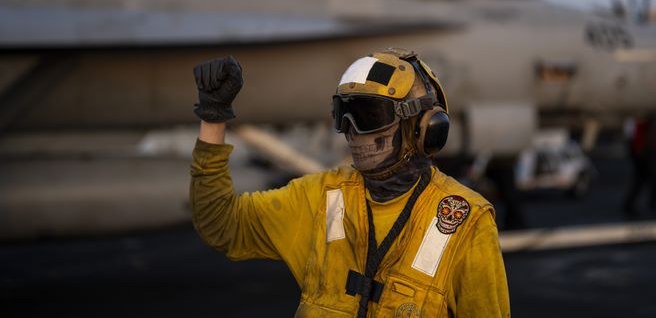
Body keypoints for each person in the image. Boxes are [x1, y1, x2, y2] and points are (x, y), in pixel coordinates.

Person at [190, 48, 510, 317]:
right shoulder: (321, 197)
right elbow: (221, 224)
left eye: (369, 116)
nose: (353, 131)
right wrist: (213, 117)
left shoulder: (466, 222)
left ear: (421, 127)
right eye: (344, 113)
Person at [622, 112, 656, 217]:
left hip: (652, 151)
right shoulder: (643, 119)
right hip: (647, 152)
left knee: (644, 180)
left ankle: (633, 205)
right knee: (655, 180)